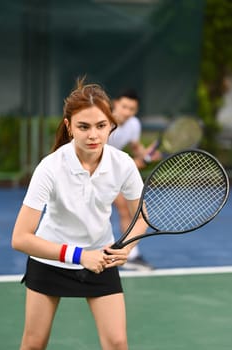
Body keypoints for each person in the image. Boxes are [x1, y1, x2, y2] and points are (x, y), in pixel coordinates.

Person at [11, 79, 148, 350]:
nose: (93, 135)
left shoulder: (123, 165)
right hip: (50, 259)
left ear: (111, 125)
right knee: (34, 344)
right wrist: (79, 255)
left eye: (101, 126)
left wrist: (128, 246)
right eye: (83, 127)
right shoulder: (49, 168)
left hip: (100, 259)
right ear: (69, 127)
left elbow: (140, 217)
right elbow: (20, 238)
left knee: (118, 343)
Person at [108, 89, 161, 270]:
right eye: (124, 107)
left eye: (131, 109)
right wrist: (136, 163)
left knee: (127, 210)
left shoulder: (133, 124)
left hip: (115, 173)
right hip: (95, 171)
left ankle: (130, 254)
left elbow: (136, 147)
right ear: (115, 103)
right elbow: (102, 158)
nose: (127, 112)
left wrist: (147, 154)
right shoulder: (104, 123)